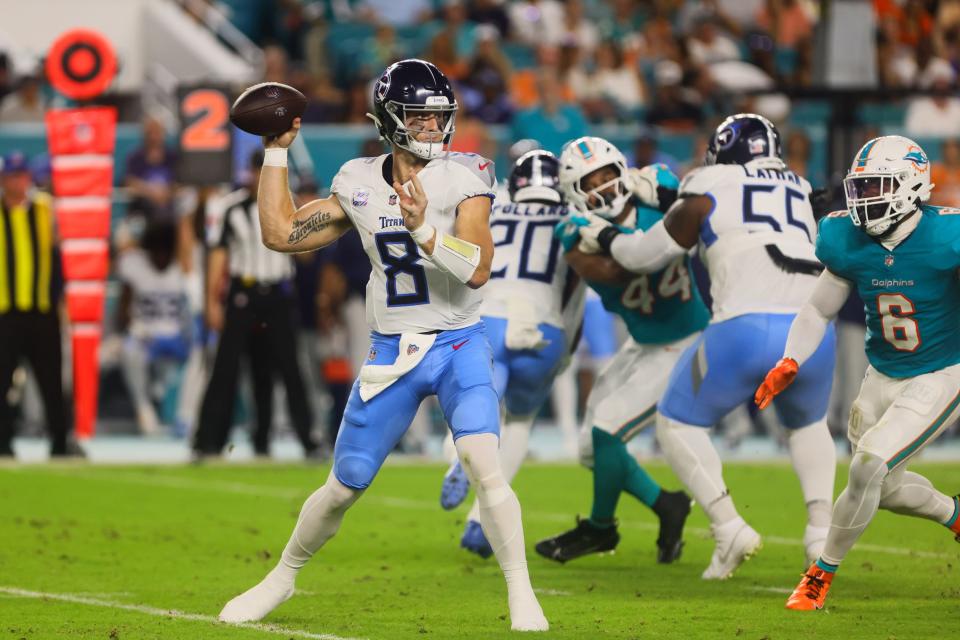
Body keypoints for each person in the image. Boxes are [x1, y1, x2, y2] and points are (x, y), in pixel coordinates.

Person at [217, 59, 548, 632]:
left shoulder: (467, 174)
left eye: (438, 116)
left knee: (482, 461)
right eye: (419, 117)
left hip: (458, 341)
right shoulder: (359, 180)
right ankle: (283, 577)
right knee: (344, 486)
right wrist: (276, 152)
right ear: (389, 119)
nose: (431, 128)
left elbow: (477, 270)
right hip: (392, 351)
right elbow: (280, 234)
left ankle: (521, 592)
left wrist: (423, 230)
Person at [569, 114, 837, 579]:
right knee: (807, 426)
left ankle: (728, 526)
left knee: (675, 425)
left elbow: (641, 256)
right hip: (815, 324)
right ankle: (820, 535)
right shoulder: (798, 184)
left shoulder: (708, 180)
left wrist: (609, 234)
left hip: (745, 325)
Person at [755, 135, 960, 610]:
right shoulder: (845, 238)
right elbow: (817, 310)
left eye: (877, 187)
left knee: (868, 465)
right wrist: (791, 359)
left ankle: (819, 576)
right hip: (881, 374)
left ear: (912, 187)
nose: (865, 200)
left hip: (940, 372)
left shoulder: (947, 235)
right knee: (881, 489)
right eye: (861, 188)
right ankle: (954, 514)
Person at [534, 138, 702, 565]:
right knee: (592, 449)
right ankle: (667, 505)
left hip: (686, 339)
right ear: (574, 193)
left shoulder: (658, 189)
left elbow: (698, 213)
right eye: (593, 182)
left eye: (611, 174)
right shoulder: (573, 231)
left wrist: (669, 195)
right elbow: (612, 271)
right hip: (644, 342)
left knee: (607, 431)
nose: (607, 187)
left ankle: (600, 528)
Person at [439, 150, 585, 558]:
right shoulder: (573, 219)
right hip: (543, 329)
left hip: (487, 319)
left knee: (473, 412)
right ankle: (477, 520)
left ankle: (459, 461)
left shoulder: (492, 204)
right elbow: (575, 297)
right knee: (520, 420)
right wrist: (566, 350)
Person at [192, 150, 320, 459]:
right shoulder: (230, 208)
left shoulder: (288, 204)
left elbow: (306, 256)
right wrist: (211, 301)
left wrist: (306, 215)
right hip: (243, 295)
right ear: (250, 173)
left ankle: (306, 439)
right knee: (226, 370)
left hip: (278, 295)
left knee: (289, 370)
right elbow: (218, 254)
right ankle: (208, 441)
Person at [0, 152, 78, 458]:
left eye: (20, 176)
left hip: (43, 311)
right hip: (5, 311)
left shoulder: (46, 209)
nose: (16, 182)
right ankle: (3, 442)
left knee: (52, 383)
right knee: (3, 383)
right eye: (10, 177)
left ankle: (60, 441)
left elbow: (63, 254)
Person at [116, 220, 191, 435]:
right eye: (155, 251)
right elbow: (123, 311)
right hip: (145, 338)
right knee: (129, 350)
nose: (160, 256)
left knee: (203, 353)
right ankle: (144, 409)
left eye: (165, 251)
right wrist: (134, 328)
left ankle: (186, 414)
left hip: (177, 338)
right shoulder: (134, 264)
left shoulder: (183, 265)